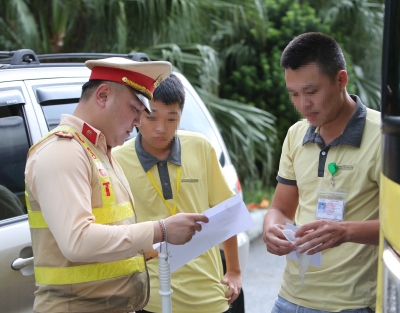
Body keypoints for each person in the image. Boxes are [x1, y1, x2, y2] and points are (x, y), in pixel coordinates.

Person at [24, 57, 209, 313]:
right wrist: (161, 230)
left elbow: (107, 235)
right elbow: (77, 241)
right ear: (103, 95)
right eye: (135, 109)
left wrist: (147, 250)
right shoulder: (63, 150)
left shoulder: (100, 151)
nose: (138, 122)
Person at [263, 32, 381, 313]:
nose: (303, 104)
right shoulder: (295, 135)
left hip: (352, 304)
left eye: (311, 91)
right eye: (294, 94)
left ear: (341, 80)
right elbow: (280, 207)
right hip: (290, 298)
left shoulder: (384, 135)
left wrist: (345, 231)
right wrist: (271, 228)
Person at [113, 74, 242, 313]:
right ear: (139, 113)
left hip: (208, 293)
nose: (161, 128)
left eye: (172, 119)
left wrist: (234, 271)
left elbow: (227, 213)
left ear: (181, 116)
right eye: (152, 117)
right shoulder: (118, 158)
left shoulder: (200, 147)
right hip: (149, 297)